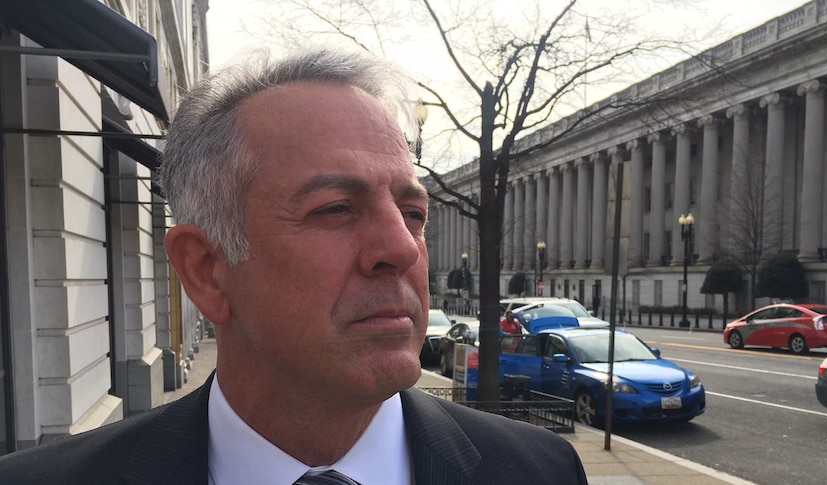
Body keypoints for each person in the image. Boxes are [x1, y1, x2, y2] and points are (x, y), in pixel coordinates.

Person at [0, 48, 587, 484]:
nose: (402, 249)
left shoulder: (542, 470)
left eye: (412, 212)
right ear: (206, 269)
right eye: (335, 208)